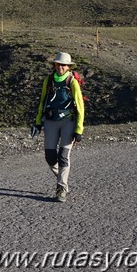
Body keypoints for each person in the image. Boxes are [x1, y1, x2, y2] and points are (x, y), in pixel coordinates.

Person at [33, 52, 85, 202]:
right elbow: (42, 101)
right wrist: (38, 121)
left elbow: (80, 107)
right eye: (58, 64)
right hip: (50, 121)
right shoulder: (48, 81)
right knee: (50, 157)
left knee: (63, 156)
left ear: (68, 67)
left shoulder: (72, 81)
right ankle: (62, 179)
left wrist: (78, 130)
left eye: (64, 65)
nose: (61, 67)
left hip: (68, 122)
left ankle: (61, 188)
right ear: (54, 65)